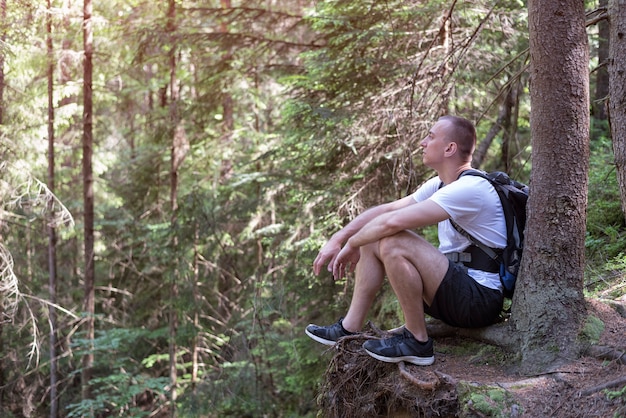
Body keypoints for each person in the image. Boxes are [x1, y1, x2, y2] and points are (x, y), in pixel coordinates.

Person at [305, 115, 505, 366]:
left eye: (430, 136)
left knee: (391, 240)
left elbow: (392, 223)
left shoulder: (471, 188)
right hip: (451, 291)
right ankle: (349, 328)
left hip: (478, 298)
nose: (423, 142)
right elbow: (386, 212)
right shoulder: (441, 184)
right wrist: (340, 237)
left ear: (450, 148)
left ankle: (418, 342)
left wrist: (352, 244)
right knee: (373, 236)